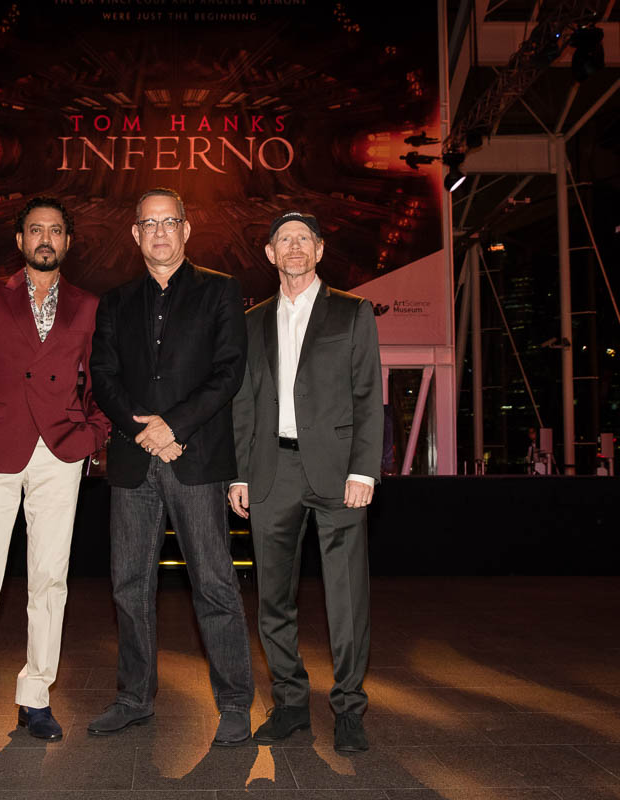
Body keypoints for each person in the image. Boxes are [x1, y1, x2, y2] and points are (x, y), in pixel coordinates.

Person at [0, 196, 110, 746]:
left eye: (55, 231)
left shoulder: (87, 305)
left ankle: (36, 697)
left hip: (60, 454)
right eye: (35, 230)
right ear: (20, 241)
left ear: (67, 242)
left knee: (50, 580)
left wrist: (95, 434)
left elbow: (101, 380)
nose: (45, 239)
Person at [88, 188, 255, 746]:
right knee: (128, 585)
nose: (159, 232)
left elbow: (229, 372)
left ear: (187, 230)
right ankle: (134, 698)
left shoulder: (221, 292)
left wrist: (171, 427)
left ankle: (234, 703)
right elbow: (103, 377)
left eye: (170, 222)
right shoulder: (113, 303)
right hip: (135, 463)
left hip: (196, 458)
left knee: (214, 584)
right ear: (135, 234)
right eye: (148, 223)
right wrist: (144, 431)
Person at [229, 211, 383, 754]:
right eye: (282, 240)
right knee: (273, 599)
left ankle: (348, 709)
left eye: (303, 239)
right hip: (272, 470)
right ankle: (291, 705)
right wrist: (239, 474)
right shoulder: (251, 320)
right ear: (269, 254)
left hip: (339, 472)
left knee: (345, 597)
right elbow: (242, 402)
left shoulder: (353, 311)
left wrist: (365, 469)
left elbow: (368, 395)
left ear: (318, 250)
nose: (293, 247)